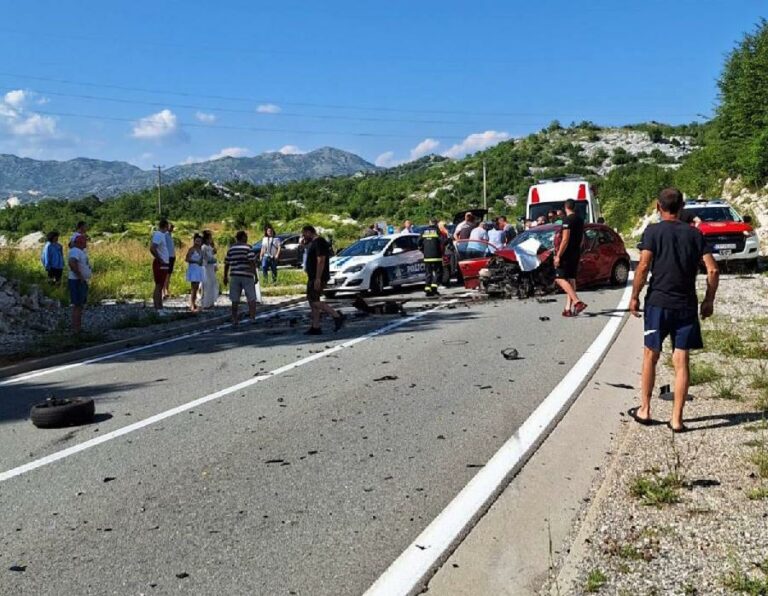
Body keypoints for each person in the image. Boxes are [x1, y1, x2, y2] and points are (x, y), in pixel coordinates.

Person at [630, 188, 719, 432]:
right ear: (682, 208)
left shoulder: (652, 232)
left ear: (658, 207)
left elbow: (643, 266)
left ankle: (645, 410)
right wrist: (708, 300)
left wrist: (635, 296)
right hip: (686, 305)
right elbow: (712, 269)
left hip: (658, 303)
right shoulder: (695, 234)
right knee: (681, 360)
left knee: (651, 354)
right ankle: (677, 419)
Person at [302, 225, 344, 335]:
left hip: (317, 277)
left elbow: (321, 260)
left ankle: (337, 315)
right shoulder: (313, 243)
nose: (304, 236)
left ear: (309, 232)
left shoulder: (319, 242)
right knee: (312, 301)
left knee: (315, 301)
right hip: (313, 277)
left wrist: (318, 278)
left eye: (304, 234)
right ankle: (316, 327)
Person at [554, 199, 587, 317]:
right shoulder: (580, 220)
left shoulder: (567, 220)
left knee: (559, 278)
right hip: (576, 252)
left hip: (567, 253)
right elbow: (582, 237)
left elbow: (565, 239)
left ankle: (577, 302)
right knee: (571, 279)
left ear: (565, 207)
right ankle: (568, 308)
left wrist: (558, 255)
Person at [223, 231, 259, 326]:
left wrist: (225, 276)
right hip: (247, 275)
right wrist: (255, 275)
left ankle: (235, 319)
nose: (247, 238)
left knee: (235, 299)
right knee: (251, 297)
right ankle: (252, 318)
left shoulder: (231, 249)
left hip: (234, 275)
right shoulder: (248, 248)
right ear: (242, 237)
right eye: (246, 236)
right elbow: (252, 262)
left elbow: (226, 263)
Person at [67, 234, 91, 333]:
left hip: (80, 280)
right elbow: (72, 263)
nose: (86, 243)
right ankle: (76, 328)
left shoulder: (79, 251)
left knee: (80, 304)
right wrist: (80, 276)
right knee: (77, 305)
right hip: (77, 281)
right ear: (79, 242)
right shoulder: (75, 251)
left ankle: (78, 327)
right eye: (84, 241)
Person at [418, 218, 445, 296]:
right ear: (436, 223)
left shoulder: (424, 231)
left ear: (429, 223)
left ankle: (427, 289)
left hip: (427, 256)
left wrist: (423, 249)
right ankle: (434, 288)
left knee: (428, 273)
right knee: (438, 272)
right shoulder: (437, 231)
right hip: (436, 256)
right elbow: (443, 241)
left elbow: (418, 242)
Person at [150, 219, 171, 313]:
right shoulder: (158, 234)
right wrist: (160, 259)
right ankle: (157, 308)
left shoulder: (162, 235)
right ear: (166, 226)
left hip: (164, 263)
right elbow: (152, 248)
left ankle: (161, 307)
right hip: (160, 263)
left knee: (161, 285)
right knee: (158, 285)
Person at [185, 233, 205, 312]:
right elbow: (187, 259)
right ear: (194, 241)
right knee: (194, 287)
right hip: (193, 269)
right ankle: (192, 304)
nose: (198, 242)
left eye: (199, 241)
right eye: (196, 241)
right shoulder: (192, 249)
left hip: (199, 269)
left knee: (196, 288)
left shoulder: (201, 250)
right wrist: (196, 261)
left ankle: (194, 303)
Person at [200, 230, 219, 309]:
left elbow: (212, 254)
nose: (211, 239)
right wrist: (211, 260)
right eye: (210, 238)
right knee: (207, 284)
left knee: (212, 283)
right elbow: (204, 258)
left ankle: (211, 302)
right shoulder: (203, 247)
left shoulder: (210, 247)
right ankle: (205, 303)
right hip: (206, 267)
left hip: (211, 267)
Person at [163, 223, 176, 299]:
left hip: (172, 256)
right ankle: (164, 291)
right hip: (167, 257)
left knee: (169, 274)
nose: (171, 228)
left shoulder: (170, 236)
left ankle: (167, 289)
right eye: (170, 227)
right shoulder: (165, 235)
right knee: (166, 274)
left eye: (172, 227)